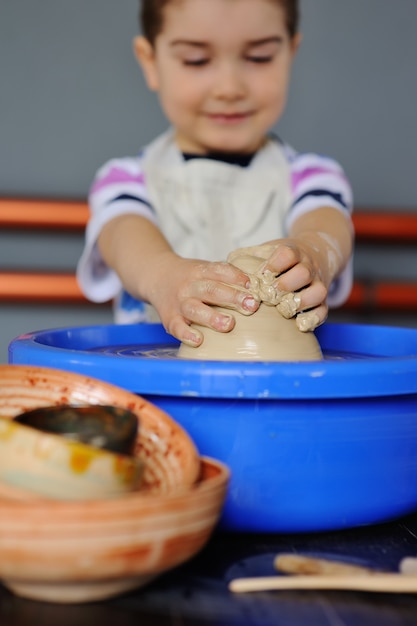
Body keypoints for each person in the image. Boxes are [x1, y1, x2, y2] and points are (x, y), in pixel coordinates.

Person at [77, 0, 354, 349]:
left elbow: (328, 226)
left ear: (290, 54)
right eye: (197, 60)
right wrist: (163, 276)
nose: (229, 88)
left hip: (283, 391)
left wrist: (313, 254)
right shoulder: (127, 180)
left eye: (259, 57)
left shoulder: (310, 176)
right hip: (155, 392)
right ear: (150, 62)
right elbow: (122, 233)